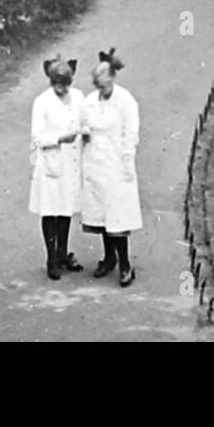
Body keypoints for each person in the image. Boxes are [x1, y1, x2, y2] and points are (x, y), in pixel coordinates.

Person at [80, 48, 142, 288]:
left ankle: (125, 264)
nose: (101, 91)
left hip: (116, 163)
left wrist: (126, 162)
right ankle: (109, 258)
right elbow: (83, 123)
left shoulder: (125, 101)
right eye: (98, 87)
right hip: (95, 162)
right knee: (102, 214)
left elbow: (131, 134)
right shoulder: (90, 101)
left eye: (104, 86)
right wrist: (85, 132)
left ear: (113, 79)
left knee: (117, 216)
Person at [29, 56, 85, 280]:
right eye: (57, 83)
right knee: (50, 209)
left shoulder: (78, 97)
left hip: (71, 162)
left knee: (66, 208)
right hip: (52, 162)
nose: (62, 88)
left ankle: (63, 253)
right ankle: (51, 258)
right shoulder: (42, 102)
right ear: (51, 81)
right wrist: (60, 138)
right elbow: (37, 136)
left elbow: (85, 121)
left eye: (65, 83)